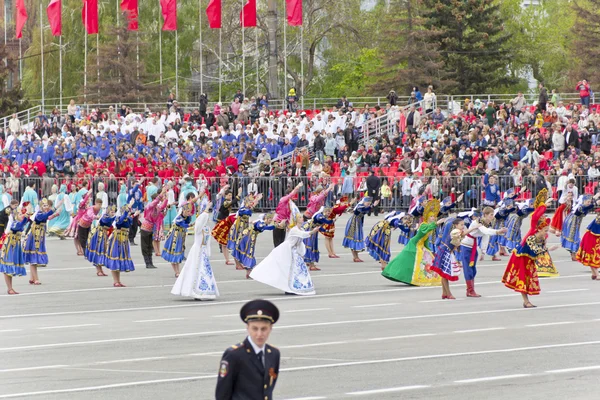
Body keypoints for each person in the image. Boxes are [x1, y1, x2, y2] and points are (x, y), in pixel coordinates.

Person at [215, 299, 280, 400]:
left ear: (270, 328)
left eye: (264, 329)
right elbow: (222, 393)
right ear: (247, 327)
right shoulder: (234, 355)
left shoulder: (274, 354)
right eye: (255, 328)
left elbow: (268, 389)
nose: (259, 334)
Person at [502, 194, 559, 308]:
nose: (546, 233)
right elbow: (537, 249)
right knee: (523, 278)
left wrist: (545, 205)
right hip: (521, 257)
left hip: (529, 258)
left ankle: (526, 301)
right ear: (539, 228)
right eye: (545, 230)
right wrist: (543, 205)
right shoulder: (532, 234)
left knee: (529, 277)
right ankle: (526, 301)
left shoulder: (540, 236)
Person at [251, 212, 319, 295]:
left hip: (295, 252)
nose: (302, 218)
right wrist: (313, 231)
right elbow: (303, 235)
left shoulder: (300, 229)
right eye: (300, 217)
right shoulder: (294, 229)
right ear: (297, 220)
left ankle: (295, 287)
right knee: (288, 269)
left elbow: (305, 229)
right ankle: (289, 288)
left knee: (297, 269)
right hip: (288, 250)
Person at [381, 199, 442, 286]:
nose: (433, 218)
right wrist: (436, 224)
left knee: (426, 260)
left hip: (420, 245)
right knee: (405, 261)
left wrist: (428, 249)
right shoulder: (424, 225)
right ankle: (392, 272)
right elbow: (423, 233)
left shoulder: (430, 226)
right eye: (431, 216)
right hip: (414, 244)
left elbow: (426, 239)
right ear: (427, 217)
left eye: (434, 216)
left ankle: (422, 278)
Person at [171, 197, 219, 300]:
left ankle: (205, 291)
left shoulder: (206, 227)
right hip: (197, 251)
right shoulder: (199, 223)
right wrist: (206, 210)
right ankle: (195, 290)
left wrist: (208, 251)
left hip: (203, 252)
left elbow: (207, 241)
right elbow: (199, 224)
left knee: (204, 271)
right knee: (195, 269)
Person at [459, 207, 507, 297]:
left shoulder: (486, 223)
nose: (492, 217)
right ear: (485, 215)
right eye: (491, 215)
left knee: (473, 269)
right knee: (468, 269)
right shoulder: (479, 222)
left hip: (473, 246)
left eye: (493, 215)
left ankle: (470, 290)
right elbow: (486, 231)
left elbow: (485, 236)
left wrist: (483, 252)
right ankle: (470, 290)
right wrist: (498, 231)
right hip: (466, 246)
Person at [22, 199, 59, 285]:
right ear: (41, 206)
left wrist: (55, 215)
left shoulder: (42, 213)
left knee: (34, 257)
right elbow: (44, 216)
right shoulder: (39, 213)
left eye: (47, 205)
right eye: (44, 205)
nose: (46, 207)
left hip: (39, 237)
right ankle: (36, 279)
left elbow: (47, 217)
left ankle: (32, 278)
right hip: (34, 237)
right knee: (33, 257)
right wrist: (55, 208)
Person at [431, 218, 466, 299]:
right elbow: (463, 235)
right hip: (445, 251)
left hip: (446, 251)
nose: (463, 226)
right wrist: (474, 227)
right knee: (445, 274)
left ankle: (444, 293)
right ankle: (448, 293)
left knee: (444, 274)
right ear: (456, 225)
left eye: (463, 225)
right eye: (461, 225)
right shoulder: (455, 232)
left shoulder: (456, 232)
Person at [105, 205, 139, 287]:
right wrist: (128, 209)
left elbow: (130, 218)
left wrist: (134, 214)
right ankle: (115, 281)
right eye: (127, 211)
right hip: (116, 240)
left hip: (123, 240)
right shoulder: (118, 218)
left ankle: (118, 281)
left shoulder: (127, 218)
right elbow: (120, 221)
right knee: (115, 258)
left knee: (119, 260)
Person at [0, 205, 31, 295]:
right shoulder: (14, 223)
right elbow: (20, 225)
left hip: (14, 247)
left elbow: (24, 223)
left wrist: (27, 216)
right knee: (7, 267)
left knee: (10, 268)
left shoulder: (18, 222)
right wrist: (26, 217)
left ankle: (10, 288)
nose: (22, 216)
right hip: (9, 246)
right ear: (16, 215)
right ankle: (9, 288)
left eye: (22, 214)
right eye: (20, 214)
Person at [236, 213, 275, 279]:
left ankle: (248, 271)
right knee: (249, 252)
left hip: (250, 237)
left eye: (271, 219)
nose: (271, 220)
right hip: (248, 237)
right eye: (269, 219)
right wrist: (275, 226)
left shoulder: (261, 222)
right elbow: (262, 227)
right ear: (265, 218)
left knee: (249, 252)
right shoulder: (261, 223)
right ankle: (248, 270)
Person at [162, 201, 195, 278]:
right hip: (174, 236)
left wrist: (189, 216)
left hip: (180, 236)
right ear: (183, 210)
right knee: (174, 253)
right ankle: (176, 272)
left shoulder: (186, 217)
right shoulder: (178, 218)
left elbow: (187, 221)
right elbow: (185, 225)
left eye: (189, 211)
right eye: (187, 211)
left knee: (178, 252)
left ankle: (178, 271)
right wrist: (193, 224)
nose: (188, 212)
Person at [561, 194, 597, 261]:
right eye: (587, 201)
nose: (589, 203)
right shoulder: (580, 207)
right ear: (583, 201)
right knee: (573, 237)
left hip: (575, 223)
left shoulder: (582, 206)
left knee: (575, 237)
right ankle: (573, 254)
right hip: (572, 223)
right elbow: (587, 207)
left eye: (589, 202)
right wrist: (594, 201)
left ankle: (574, 254)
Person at [342, 196, 378, 262]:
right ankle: (355, 257)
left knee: (356, 238)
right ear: (364, 201)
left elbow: (365, 210)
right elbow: (363, 209)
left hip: (358, 223)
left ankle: (356, 257)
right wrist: (372, 205)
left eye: (369, 203)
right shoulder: (360, 206)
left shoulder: (363, 206)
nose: (368, 204)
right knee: (354, 238)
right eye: (368, 202)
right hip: (353, 223)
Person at [140, 187, 168, 269]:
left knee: (149, 246)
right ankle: (147, 262)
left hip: (151, 228)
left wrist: (166, 197)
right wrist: (162, 193)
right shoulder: (150, 205)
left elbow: (163, 206)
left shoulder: (157, 208)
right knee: (145, 246)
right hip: (145, 228)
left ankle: (150, 262)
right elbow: (156, 201)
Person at [85, 205, 117, 278]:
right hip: (99, 235)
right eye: (112, 212)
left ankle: (100, 270)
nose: (113, 213)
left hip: (104, 235)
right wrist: (115, 217)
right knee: (98, 252)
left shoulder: (110, 217)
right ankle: (98, 270)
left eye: (114, 212)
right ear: (108, 211)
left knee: (101, 252)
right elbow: (106, 221)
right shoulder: (105, 216)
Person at [272, 183, 303, 248]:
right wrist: (297, 187)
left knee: (282, 241)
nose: (293, 197)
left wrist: (288, 224)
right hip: (278, 221)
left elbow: (288, 215)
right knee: (277, 241)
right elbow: (291, 194)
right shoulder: (283, 199)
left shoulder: (290, 204)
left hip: (283, 223)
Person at [576, 213, 600, 280]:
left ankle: (594, 273)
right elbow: (596, 232)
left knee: (593, 255)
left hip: (592, 238)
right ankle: (597, 274)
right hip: (592, 239)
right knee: (593, 255)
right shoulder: (598, 220)